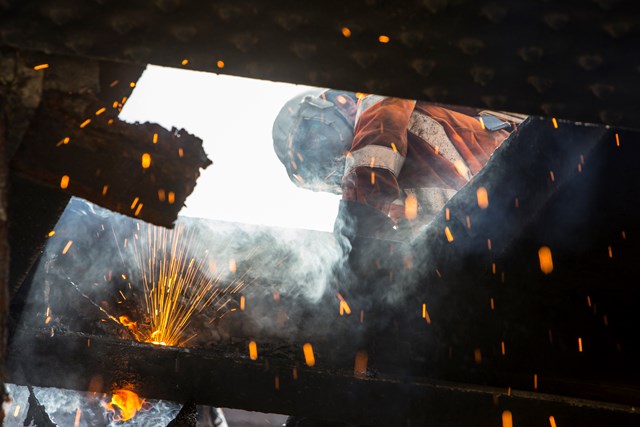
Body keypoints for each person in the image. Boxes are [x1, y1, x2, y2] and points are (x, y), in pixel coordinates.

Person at [273, 89, 525, 240]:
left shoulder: (378, 103)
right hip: (493, 223)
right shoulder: (389, 196)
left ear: (345, 104)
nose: (335, 160)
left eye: (318, 139)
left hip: (516, 158)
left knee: (401, 129)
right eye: (322, 167)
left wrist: (357, 218)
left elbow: (375, 144)